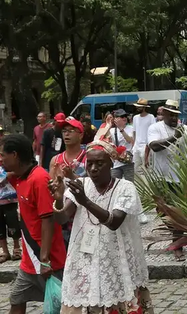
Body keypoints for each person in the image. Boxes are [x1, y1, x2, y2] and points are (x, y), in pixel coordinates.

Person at [49, 140, 149, 314]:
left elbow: (114, 222)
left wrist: (86, 202)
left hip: (116, 259)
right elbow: (62, 218)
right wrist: (58, 198)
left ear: (111, 163)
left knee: (117, 298)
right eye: (90, 163)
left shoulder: (125, 187)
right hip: (84, 259)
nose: (93, 168)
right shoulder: (81, 185)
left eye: (99, 163)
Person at [2, 134, 67, 313]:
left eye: (2, 155)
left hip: (46, 258)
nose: (0, 159)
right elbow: (6, 176)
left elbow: (48, 220)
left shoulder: (39, 179)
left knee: (61, 304)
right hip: (29, 261)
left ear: (14, 155)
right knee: (16, 299)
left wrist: (45, 259)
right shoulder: (20, 177)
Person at [146, 99, 187, 261]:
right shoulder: (155, 128)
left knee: (178, 213)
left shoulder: (186, 129)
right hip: (161, 179)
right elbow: (154, 146)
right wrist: (173, 138)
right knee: (163, 212)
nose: (174, 118)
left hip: (180, 179)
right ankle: (176, 236)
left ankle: (177, 245)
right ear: (163, 113)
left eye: (176, 115)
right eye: (171, 114)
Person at [49, 117, 87, 182]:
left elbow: (93, 186)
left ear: (81, 135)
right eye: (64, 131)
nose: (66, 134)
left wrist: (72, 176)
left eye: (70, 131)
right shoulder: (55, 160)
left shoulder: (88, 158)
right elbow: (50, 186)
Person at [0, 152, 21, 263]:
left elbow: (15, 170)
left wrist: (9, 174)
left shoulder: (5, 158)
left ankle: (16, 248)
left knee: (13, 222)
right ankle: (4, 251)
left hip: (9, 198)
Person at [103, 109, 135, 181]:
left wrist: (121, 129)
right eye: (122, 116)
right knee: (114, 183)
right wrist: (108, 124)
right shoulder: (112, 130)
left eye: (125, 116)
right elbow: (104, 139)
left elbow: (129, 140)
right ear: (116, 119)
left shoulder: (130, 128)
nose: (124, 118)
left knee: (129, 183)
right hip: (116, 161)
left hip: (128, 160)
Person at [132, 99, 155, 168]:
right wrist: (134, 146)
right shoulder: (135, 117)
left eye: (139, 107)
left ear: (144, 107)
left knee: (147, 168)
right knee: (136, 168)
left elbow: (153, 132)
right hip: (136, 147)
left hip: (146, 146)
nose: (138, 108)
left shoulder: (151, 117)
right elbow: (134, 132)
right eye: (137, 106)